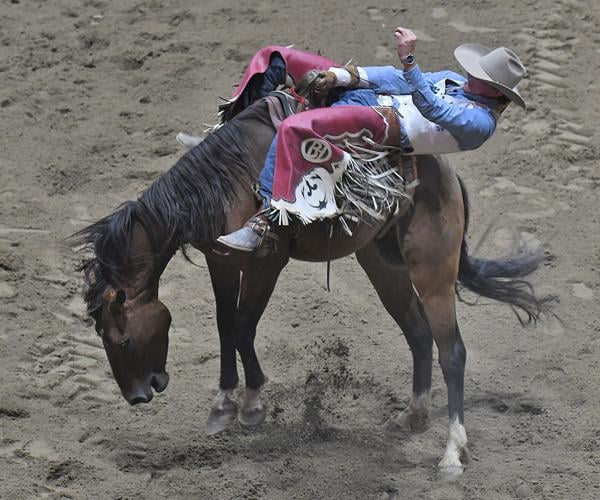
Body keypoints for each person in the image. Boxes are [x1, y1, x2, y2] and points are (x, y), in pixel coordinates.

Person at [216, 27, 527, 253]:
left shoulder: (480, 124)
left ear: (495, 92)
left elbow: (432, 108)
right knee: (275, 58)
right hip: (370, 96)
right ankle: (228, 134)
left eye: (481, 78)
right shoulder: (455, 81)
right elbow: (394, 78)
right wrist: (341, 76)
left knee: (295, 127)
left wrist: (410, 60)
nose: (471, 76)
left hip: (385, 125)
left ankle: (267, 223)